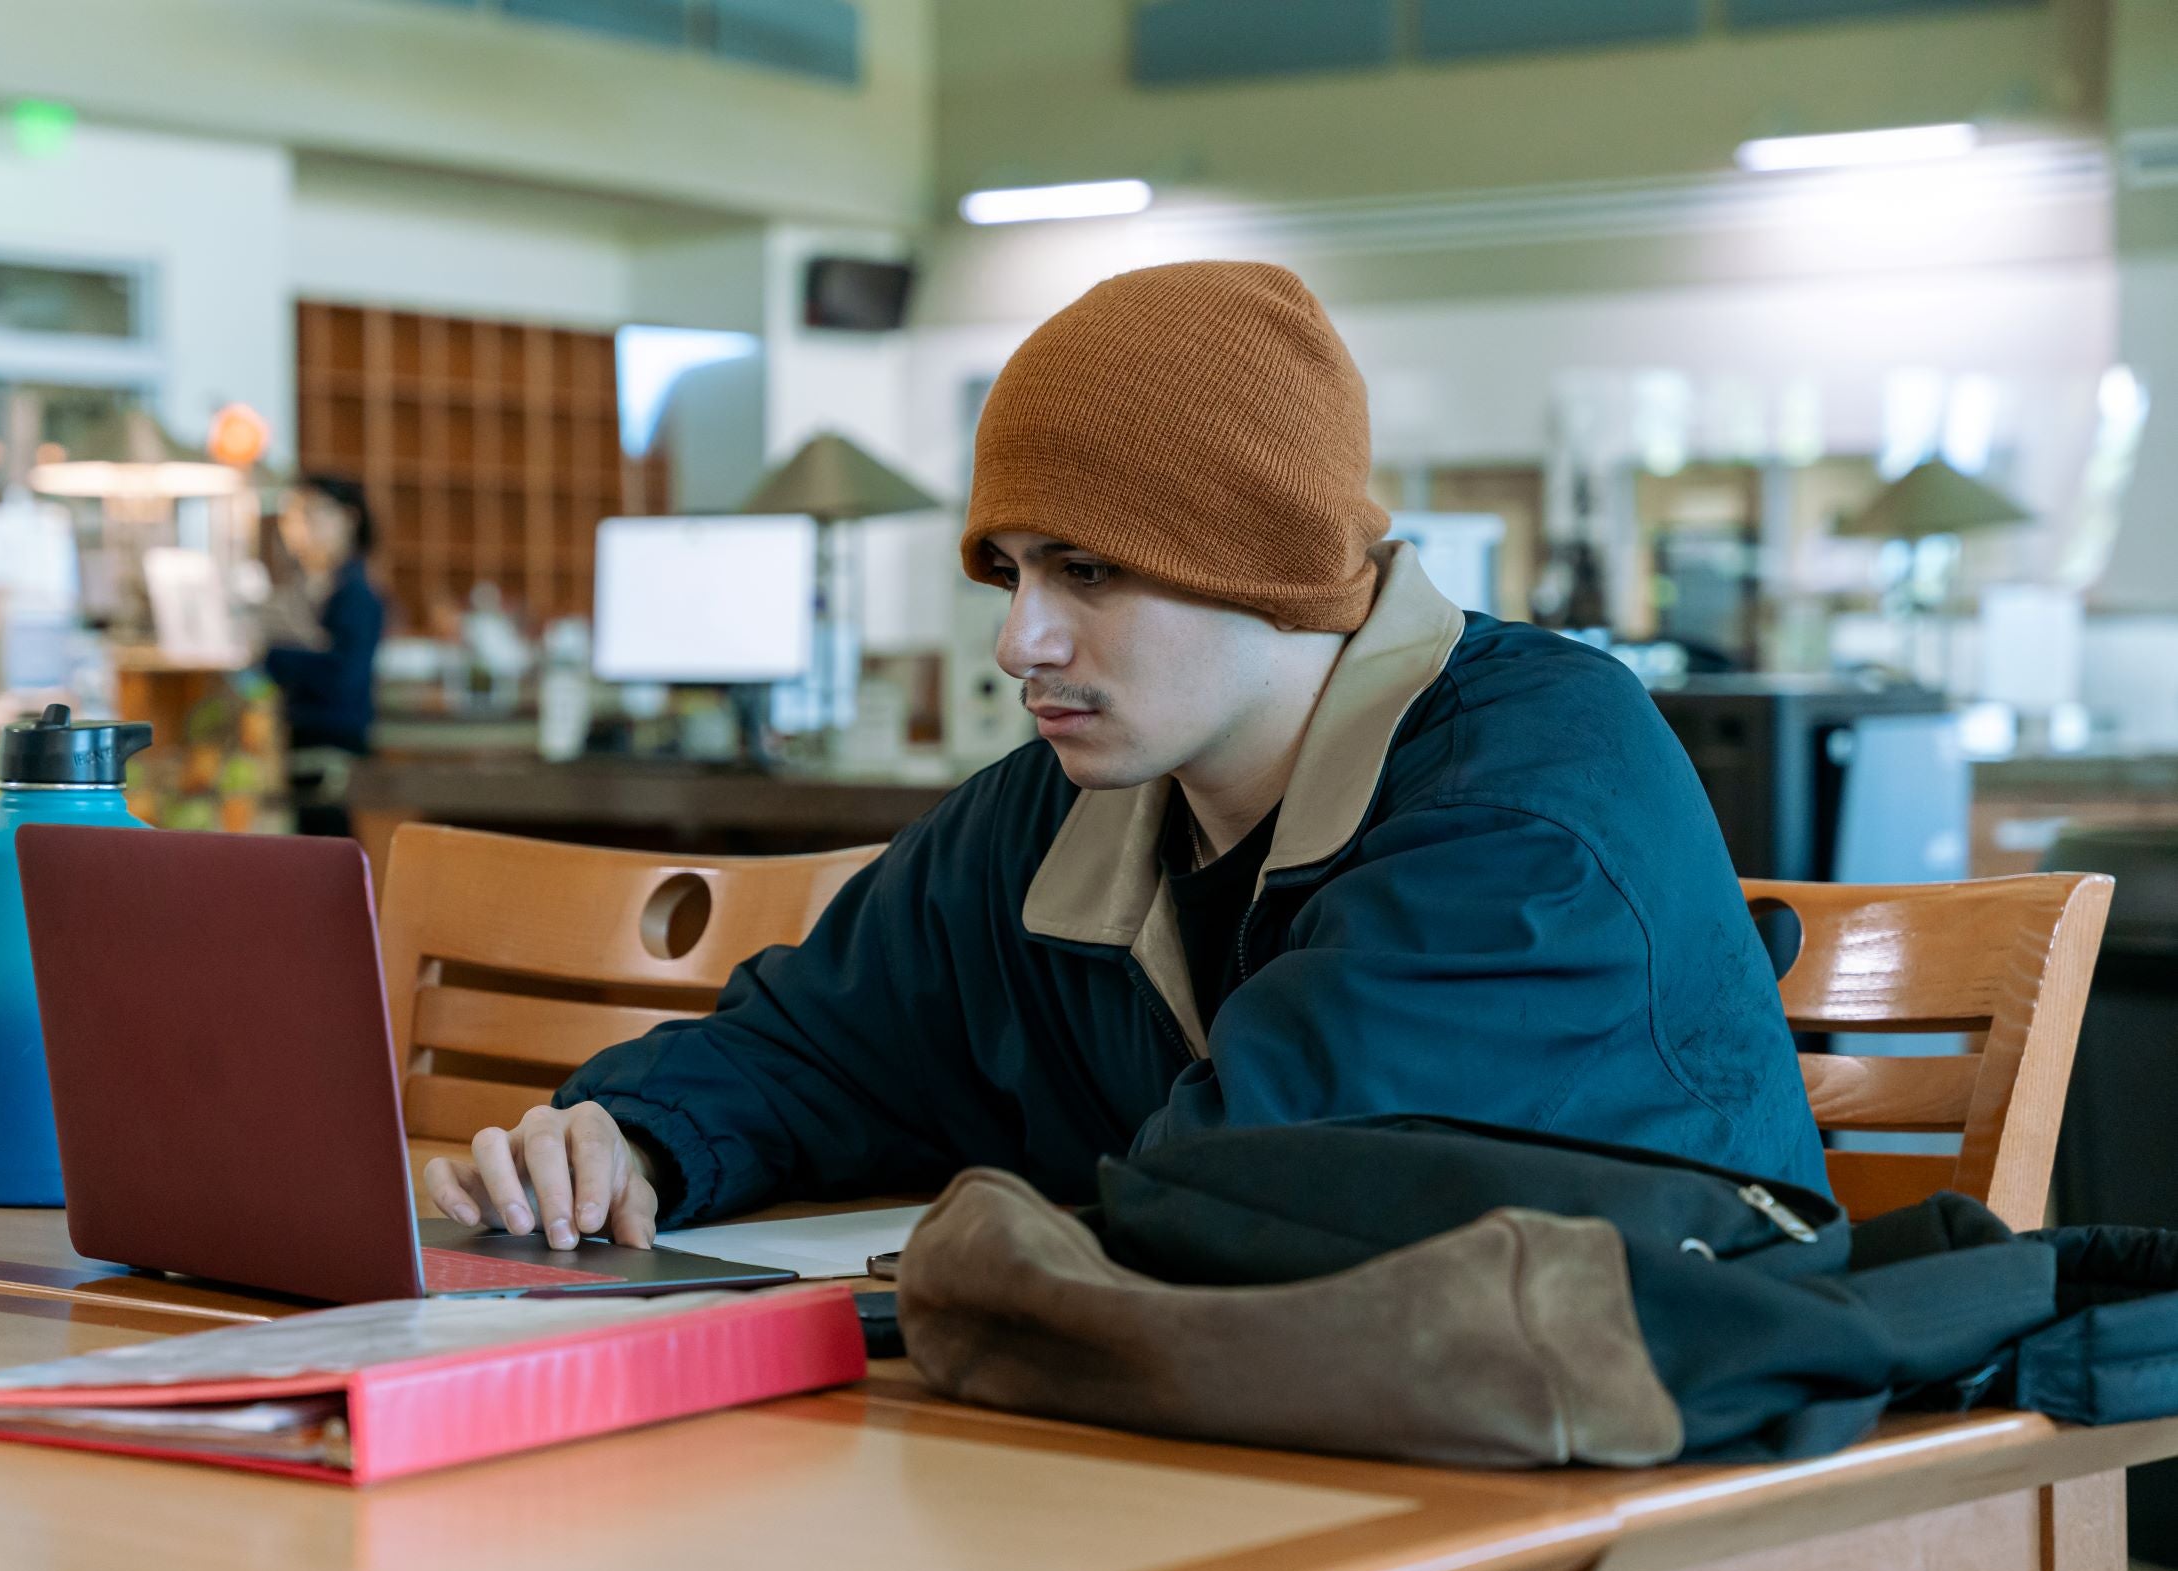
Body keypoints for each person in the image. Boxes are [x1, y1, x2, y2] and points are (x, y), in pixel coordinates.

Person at [425, 260, 1825, 1252]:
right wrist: (634, 1138)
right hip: (1296, 1469)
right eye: (1012, 572)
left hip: (1672, 1534)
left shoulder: (1529, 796)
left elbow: (1250, 1193)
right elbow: (822, 1051)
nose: (1020, 640)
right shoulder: (1065, 814)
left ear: (1265, 567)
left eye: (1089, 573)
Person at [264, 474, 385, 837]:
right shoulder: (304, 589)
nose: (301, 528)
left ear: (349, 518)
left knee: (327, 851)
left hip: (333, 750)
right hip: (302, 743)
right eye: (293, 517)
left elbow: (343, 675)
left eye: (314, 514)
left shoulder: (357, 594)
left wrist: (277, 658)